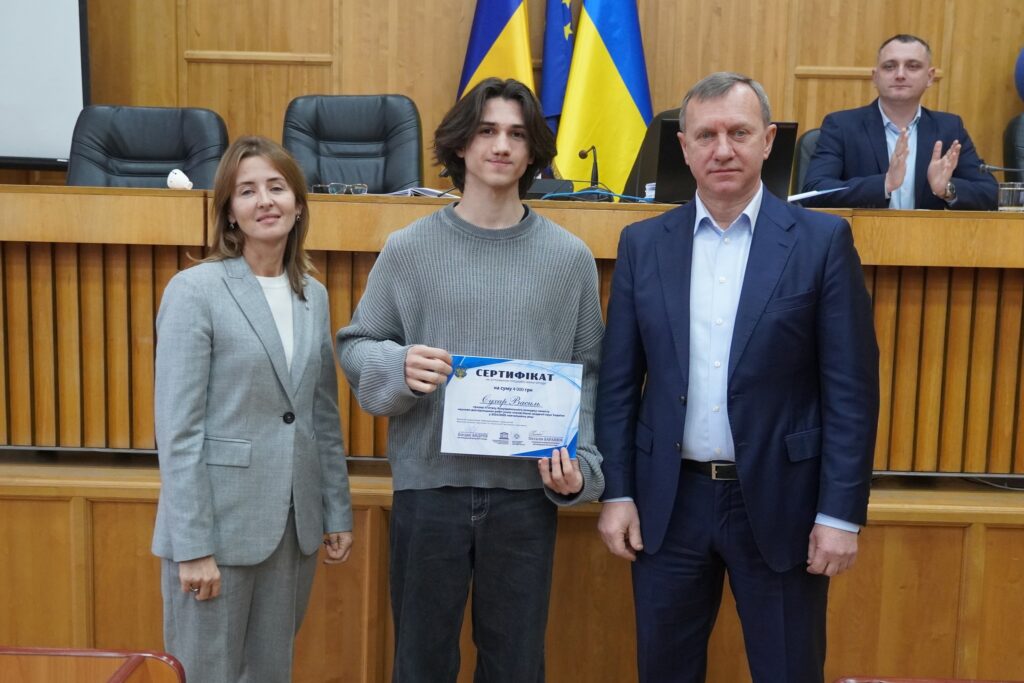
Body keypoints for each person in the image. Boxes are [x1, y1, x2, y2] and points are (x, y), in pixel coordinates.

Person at [596, 72, 880, 683]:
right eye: (706, 135)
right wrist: (617, 492)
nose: (722, 149)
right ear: (684, 147)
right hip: (668, 504)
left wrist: (839, 514)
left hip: (783, 504)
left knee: (788, 670)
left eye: (739, 133)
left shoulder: (822, 242)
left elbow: (851, 393)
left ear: (769, 140)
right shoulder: (643, 244)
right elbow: (618, 385)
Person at [335, 77, 604, 683]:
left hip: (526, 498)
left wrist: (582, 467)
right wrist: (398, 366)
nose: (501, 146)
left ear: (533, 153)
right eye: (486, 131)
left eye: (516, 134)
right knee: (421, 664)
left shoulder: (570, 259)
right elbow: (356, 345)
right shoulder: (408, 248)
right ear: (461, 145)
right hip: (429, 492)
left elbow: (589, 375)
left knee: (515, 666)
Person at [152, 135, 354, 682]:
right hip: (217, 531)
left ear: (298, 205)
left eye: (277, 187)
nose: (265, 201)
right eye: (247, 191)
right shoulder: (195, 291)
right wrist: (192, 546)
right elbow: (178, 431)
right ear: (229, 212)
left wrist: (336, 511)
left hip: (292, 529)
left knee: (271, 673)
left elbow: (321, 416)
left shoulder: (313, 296)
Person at [801, 34, 997, 210]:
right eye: (889, 66)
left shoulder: (949, 128)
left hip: (929, 237)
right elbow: (813, 192)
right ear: (875, 77)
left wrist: (946, 189)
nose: (900, 75)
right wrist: (884, 184)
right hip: (859, 236)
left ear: (930, 77)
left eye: (913, 66)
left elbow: (992, 194)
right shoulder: (842, 126)